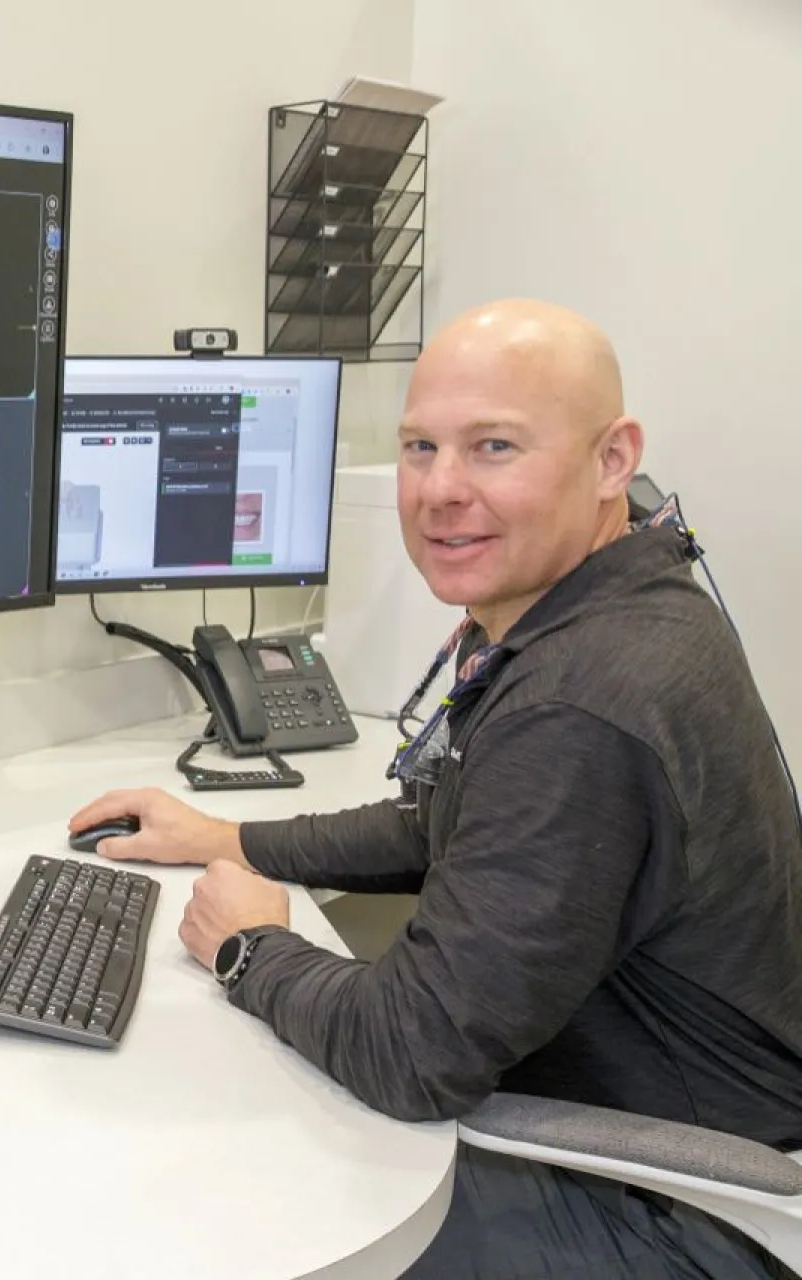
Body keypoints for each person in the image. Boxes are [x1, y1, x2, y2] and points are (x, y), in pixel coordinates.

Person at [71, 300, 802, 1278]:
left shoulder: (585, 699)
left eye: (494, 446)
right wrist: (231, 838)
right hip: (685, 1142)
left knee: (204, 1209)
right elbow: (442, 819)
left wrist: (251, 947)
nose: (441, 488)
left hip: (677, 1211)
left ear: (613, 459)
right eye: (421, 447)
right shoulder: (624, 608)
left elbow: (411, 1052)